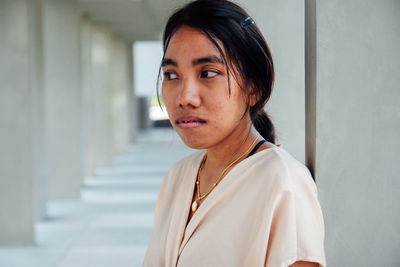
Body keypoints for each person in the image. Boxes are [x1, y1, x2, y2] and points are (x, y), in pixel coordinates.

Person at [143, 0, 326, 266]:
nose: (185, 97)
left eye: (208, 73)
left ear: (253, 89)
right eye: (171, 75)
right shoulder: (177, 177)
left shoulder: (283, 184)